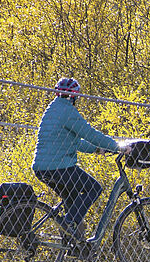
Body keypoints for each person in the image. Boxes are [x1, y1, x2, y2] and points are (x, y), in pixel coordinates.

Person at [33, 77, 130, 246]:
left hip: (42, 169)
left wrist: (96, 150)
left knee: (72, 198)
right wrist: (118, 147)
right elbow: (90, 134)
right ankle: (68, 223)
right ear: (74, 96)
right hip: (59, 168)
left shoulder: (52, 110)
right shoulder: (68, 112)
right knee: (94, 188)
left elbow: (74, 142)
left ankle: (72, 244)